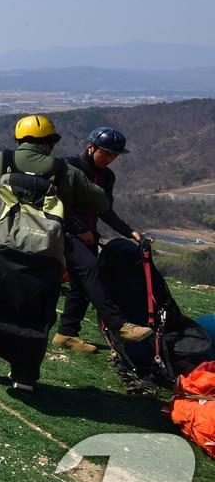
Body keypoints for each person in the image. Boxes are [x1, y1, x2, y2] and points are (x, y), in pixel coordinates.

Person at [0, 114, 110, 392]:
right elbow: (101, 202)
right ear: (49, 144)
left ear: (19, 139)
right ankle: (24, 374)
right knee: (38, 308)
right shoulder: (66, 171)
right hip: (46, 255)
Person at [53, 127, 153, 352]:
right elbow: (57, 202)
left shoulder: (107, 176)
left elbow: (104, 210)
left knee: (81, 284)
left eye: (114, 155)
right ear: (91, 147)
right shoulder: (68, 167)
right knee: (92, 270)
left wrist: (129, 231)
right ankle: (119, 325)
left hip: (88, 235)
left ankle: (66, 333)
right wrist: (78, 228)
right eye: (106, 153)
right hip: (62, 232)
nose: (110, 158)